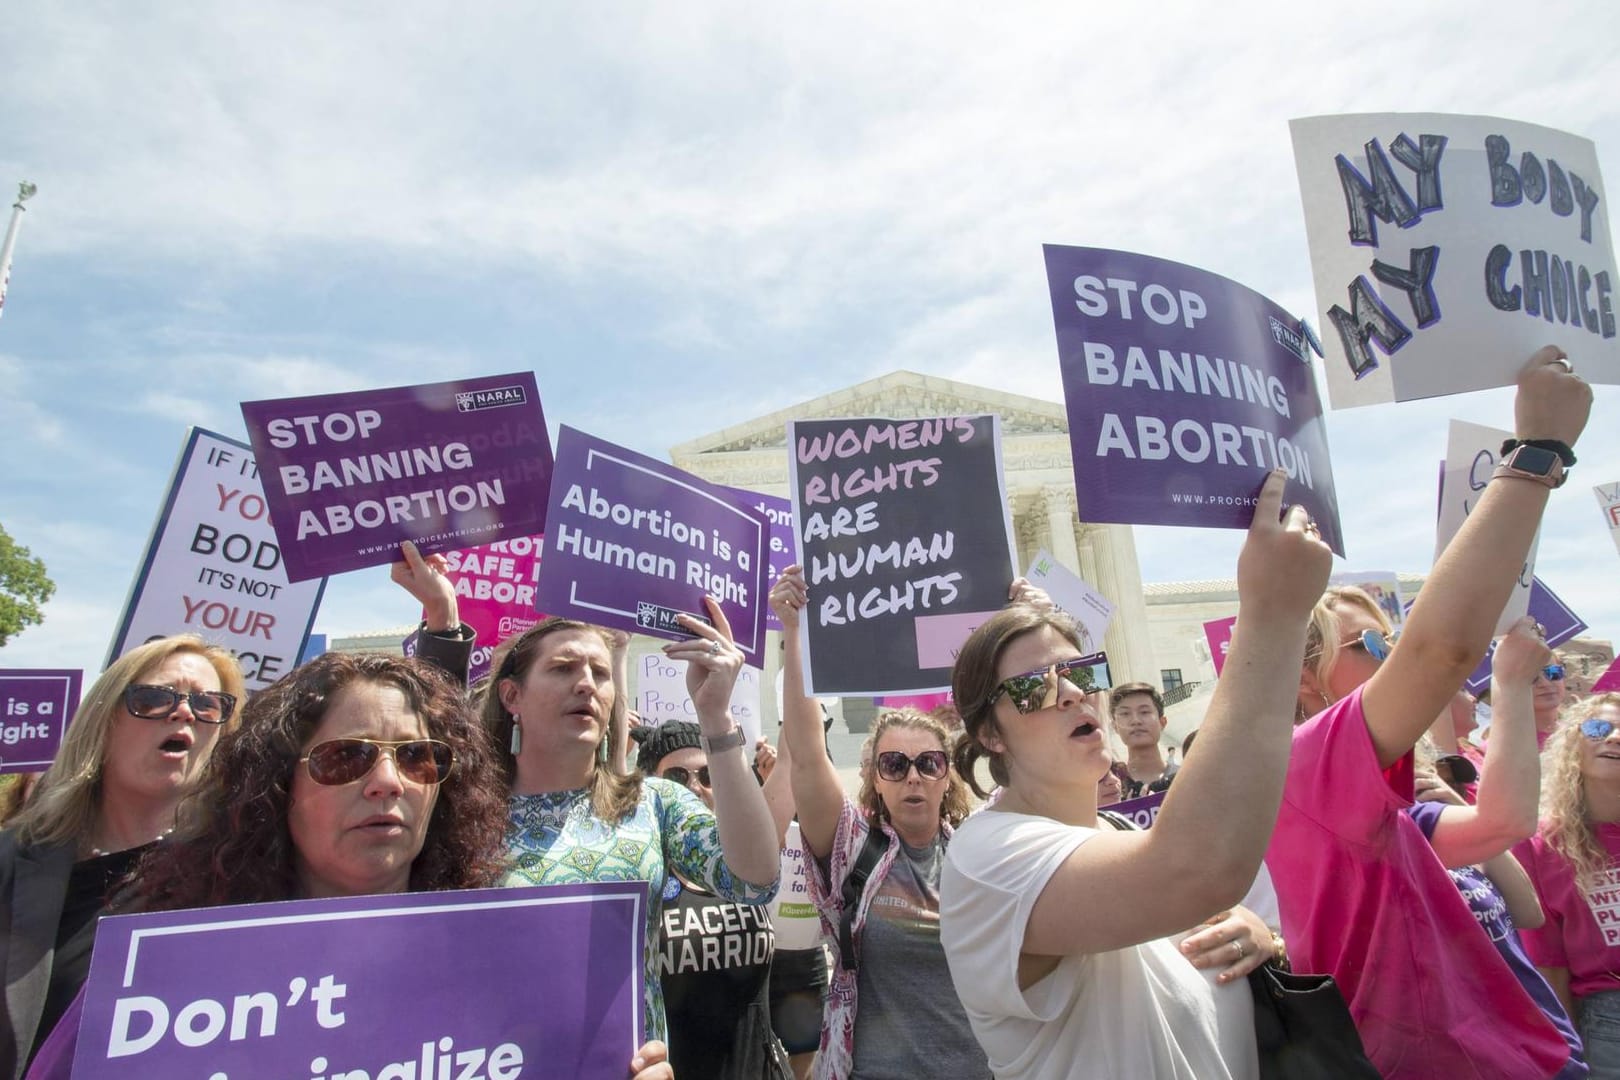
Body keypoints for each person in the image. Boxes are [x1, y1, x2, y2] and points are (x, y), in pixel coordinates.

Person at [25, 650, 673, 1080]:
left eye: (418, 759)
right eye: (346, 758)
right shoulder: (158, 981)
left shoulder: (521, 969)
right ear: (278, 787)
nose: (388, 782)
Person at [936, 470, 1328, 1080]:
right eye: (1034, 687)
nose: (1072, 695)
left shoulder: (1125, 834)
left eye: (1083, 673)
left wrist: (1260, 938)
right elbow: (1196, 870)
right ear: (990, 733)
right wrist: (1275, 615)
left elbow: (1218, 890)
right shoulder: (984, 857)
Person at [1266, 348, 1590, 1078]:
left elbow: (1503, 826)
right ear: (1308, 682)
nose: (1391, 649)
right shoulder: (1306, 761)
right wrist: (1538, 453)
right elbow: (1439, 650)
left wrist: (1507, 687)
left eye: (1391, 632)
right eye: (1369, 640)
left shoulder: (1380, 801)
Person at [487, 599, 780, 1045]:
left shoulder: (652, 803)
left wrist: (716, 717)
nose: (585, 683)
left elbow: (755, 880)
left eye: (600, 674)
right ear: (512, 696)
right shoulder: (469, 815)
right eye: (563, 668)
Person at [771, 565, 987, 1080]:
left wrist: (1034, 624)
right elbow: (805, 754)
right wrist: (794, 632)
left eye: (928, 763)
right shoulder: (851, 848)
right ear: (875, 778)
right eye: (895, 765)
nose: (913, 777)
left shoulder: (981, 852)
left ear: (947, 774)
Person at [0, 634, 244, 1078]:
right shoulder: (12, 861)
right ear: (102, 722)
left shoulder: (238, 875)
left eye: (208, 705)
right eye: (153, 698)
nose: (185, 712)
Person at [1405, 619, 1585, 1077]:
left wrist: (1464, 819)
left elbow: (1528, 913)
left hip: (1545, 1045)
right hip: (1476, 1058)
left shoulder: (1434, 813)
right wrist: (1509, 681)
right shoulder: (1378, 831)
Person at [634, 720, 792, 1078]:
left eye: (707, 776)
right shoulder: (638, 873)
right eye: (677, 777)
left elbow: (796, 761)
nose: (695, 788)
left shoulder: (749, 862)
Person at [1518, 691, 1620, 1077]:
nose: (1614, 737)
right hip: (1608, 1018)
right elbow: (1547, 958)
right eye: (1598, 728)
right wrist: (1567, 1047)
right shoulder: (1541, 845)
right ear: (1574, 745)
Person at [1107, 682, 1178, 799]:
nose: (1136, 721)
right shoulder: (1109, 789)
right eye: (1125, 713)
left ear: (1162, 722)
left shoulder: (1186, 778)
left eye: (1144, 712)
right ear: (1115, 727)